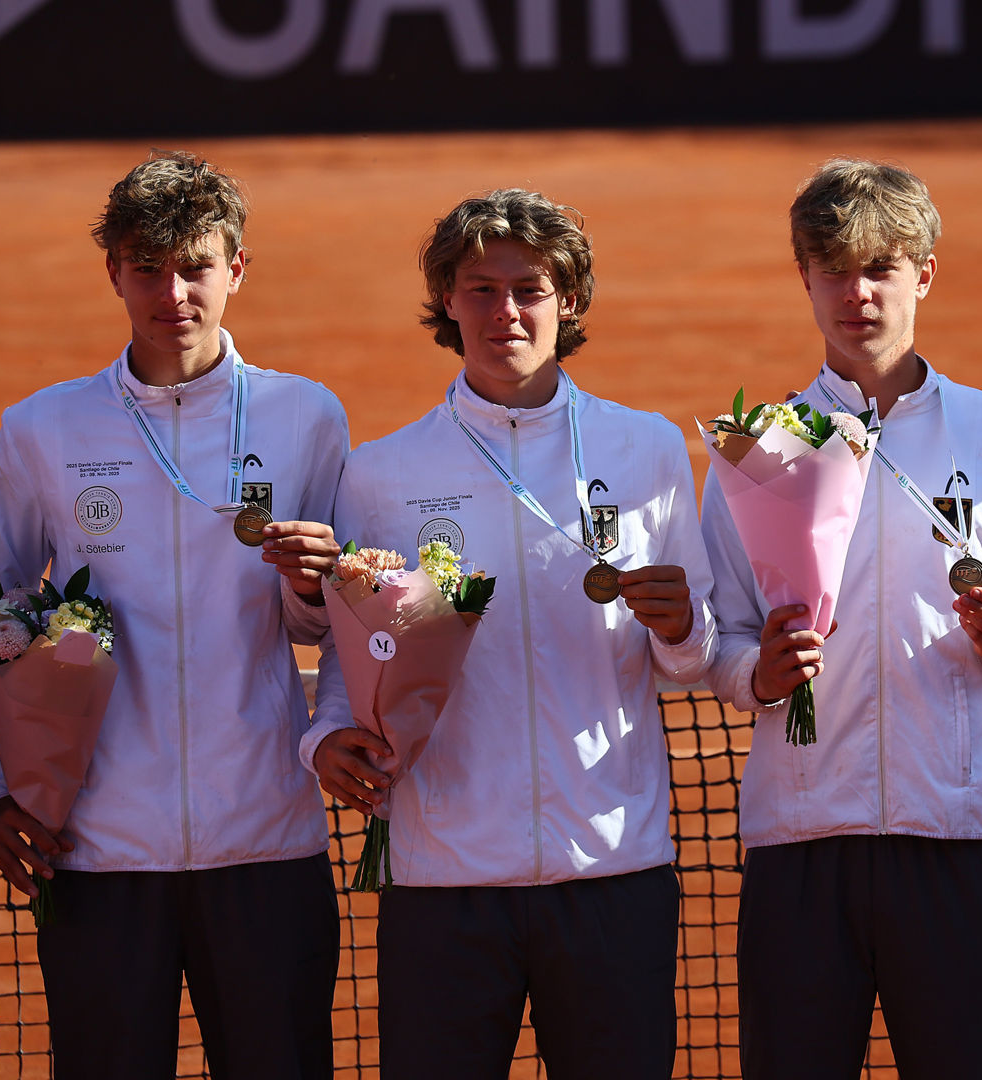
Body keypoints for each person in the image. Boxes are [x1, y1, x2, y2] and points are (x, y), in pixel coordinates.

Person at [304, 188, 717, 1080]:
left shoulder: (645, 450)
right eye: (480, 289)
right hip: (443, 882)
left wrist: (686, 629)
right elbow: (359, 658)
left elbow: (696, 657)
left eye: (528, 287)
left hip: (613, 866)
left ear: (568, 299)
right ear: (446, 302)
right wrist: (325, 735)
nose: (505, 312)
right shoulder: (379, 473)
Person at [701, 158, 982, 1079]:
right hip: (801, 843)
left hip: (953, 841)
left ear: (925, 272)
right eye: (833, 268)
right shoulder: (759, 445)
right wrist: (755, 675)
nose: (857, 292)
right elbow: (716, 638)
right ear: (804, 278)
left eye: (880, 267)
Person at [0, 151, 347, 1079]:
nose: (172, 291)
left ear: (237, 269)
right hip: (98, 849)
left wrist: (313, 587)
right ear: (113, 272)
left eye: (195, 265)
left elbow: (332, 629)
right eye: (147, 267)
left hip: (266, 839)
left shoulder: (306, 417)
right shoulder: (43, 429)